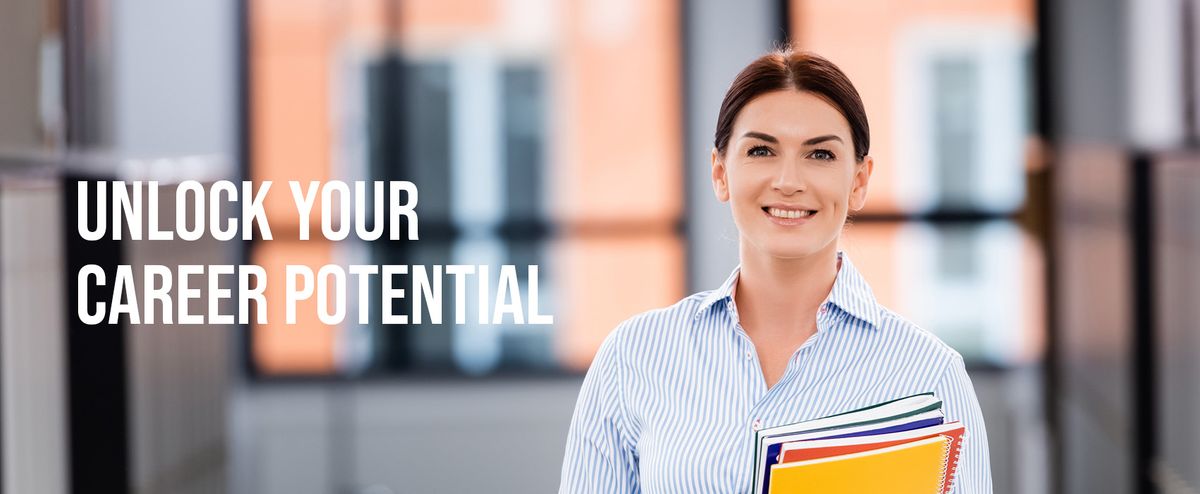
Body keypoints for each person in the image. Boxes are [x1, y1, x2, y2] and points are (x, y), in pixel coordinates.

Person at [558, 49, 992, 493]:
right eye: (762, 150)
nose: (788, 181)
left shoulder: (929, 375)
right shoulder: (634, 358)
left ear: (859, 182)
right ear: (720, 172)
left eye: (820, 155)